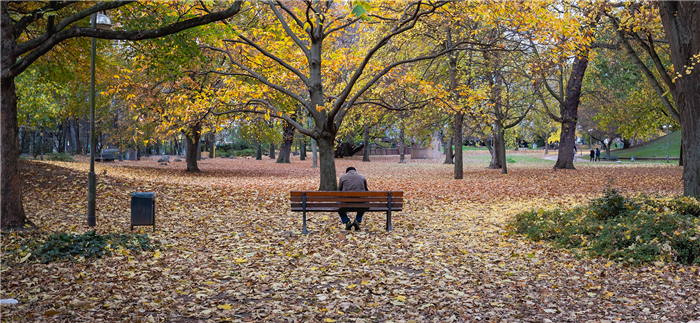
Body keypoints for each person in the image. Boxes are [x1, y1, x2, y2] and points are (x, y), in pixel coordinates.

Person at [338, 167, 368, 231]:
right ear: (355, 171)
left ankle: (347, 221)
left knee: (337, 204)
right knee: (366, 203)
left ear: (347, 172)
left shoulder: (343, 177)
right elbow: (366, 190)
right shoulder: (362, 177)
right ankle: (357, 220)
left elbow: (339, 191)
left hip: (346, 204)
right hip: (360, 204)